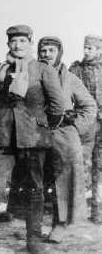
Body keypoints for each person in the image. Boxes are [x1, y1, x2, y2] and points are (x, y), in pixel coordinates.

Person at [0, 25, 65, 254]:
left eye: (22, 42)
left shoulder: (43, 69)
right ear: (8, 45)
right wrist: (6, 122)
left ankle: (33, 240)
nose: (18, 46)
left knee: (33, 189)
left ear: (30, 43)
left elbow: (57, 107)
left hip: (33, 139)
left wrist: (40, 127)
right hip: (2, 137)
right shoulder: (1, 70)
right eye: (13, 42)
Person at [8, 36, 97, 243]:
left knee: (62, 182)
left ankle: (60, 224)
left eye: (51, 51)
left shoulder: (71, 78)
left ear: (59, 53)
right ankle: (33, 226)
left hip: (63, 135)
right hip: (36, 135)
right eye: (43, 51)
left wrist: (74, 127)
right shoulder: (29, 73)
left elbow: (90, 107)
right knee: (35, 180)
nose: (46, 55)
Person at [69, 35, 102, 224]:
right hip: (85, 125)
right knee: (80, 163)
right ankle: (76, 213)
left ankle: (98, 213)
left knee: (100, 166)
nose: (86, 51)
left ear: (100, 50)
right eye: (85, 48)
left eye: (91, 48)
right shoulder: (76, 69)